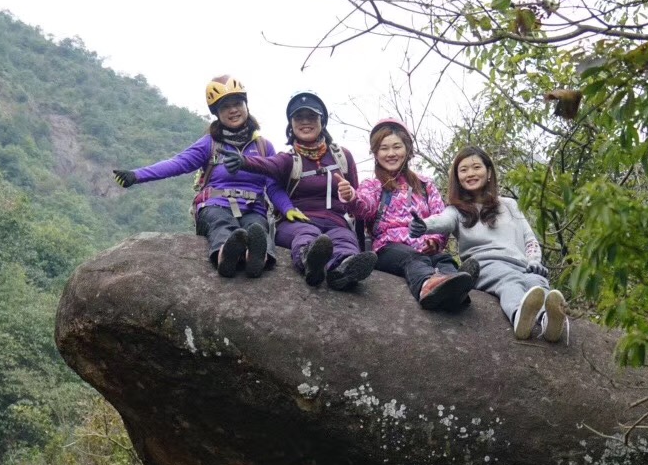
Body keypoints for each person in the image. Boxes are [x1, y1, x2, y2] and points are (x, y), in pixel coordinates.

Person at [112, 75, 306, 278]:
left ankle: (256, 258)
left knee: (257, 227)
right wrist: (136, 175)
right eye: (225, 106)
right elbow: (177, 163)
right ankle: (225, 255)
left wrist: (287, 208)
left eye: (237, 103)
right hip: (215, 204)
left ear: (246, 105)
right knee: (221, 223)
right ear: (216, 113)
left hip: (253, 207)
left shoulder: (264, 147)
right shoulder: (210, 143)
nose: (233, 110)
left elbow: (273, 185)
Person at [410, 145, 568, 342]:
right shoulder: (457, 211)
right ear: (457, 178)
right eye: (464, 170)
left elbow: (529, 238)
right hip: (487, 266)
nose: (470, 173)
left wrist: (534, 260)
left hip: (521, 265)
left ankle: (548, 320)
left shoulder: (509, 205)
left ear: (489, 172)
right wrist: (423, 225)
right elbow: (443, 221)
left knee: (537, 283)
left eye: (476, 167)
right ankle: (519, 315)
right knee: (509, 280)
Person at [236, 91, 377, 290]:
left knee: (345, 240)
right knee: (307, 233)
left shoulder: (342, 157)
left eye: (312, 117)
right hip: (297, 221)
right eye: (298, 117)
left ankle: (343, 270)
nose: (305, 122)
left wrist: (351, 196)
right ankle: (310, 260)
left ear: (323, 121)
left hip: (336, 221)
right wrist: (243, 161)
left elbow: (357, 202)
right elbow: (267, 165)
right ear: (291, 124)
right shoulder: (288, 159)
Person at [349, 117, 478, 311]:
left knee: (444, 260)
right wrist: (352, 199)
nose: (391, 153)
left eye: (397, 147)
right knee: (413, 259)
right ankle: (427, 286)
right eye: (384, 148)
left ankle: (456, 289)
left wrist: (434, 241)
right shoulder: (373, 185)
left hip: (425, 247)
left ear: (408, 150)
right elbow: (363, 207)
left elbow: (440, 217)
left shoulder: (425, 185)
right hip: (388, 248)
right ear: (375, 153)